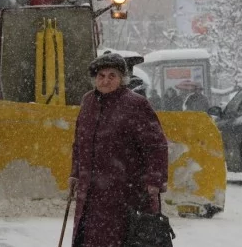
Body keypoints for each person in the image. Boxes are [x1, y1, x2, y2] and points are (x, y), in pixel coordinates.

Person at [68, 52, 169, 247]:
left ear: (122, 79)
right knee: (88, 238)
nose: (105, 81)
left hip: (125, 191)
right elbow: (79, 143)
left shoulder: (135, 104)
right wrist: (75, 173)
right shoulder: (88, 102)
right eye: (101, 76)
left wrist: (155, 179)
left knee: (120, 238)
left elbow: (156, 145)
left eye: (111, 76)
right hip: (90, 191)